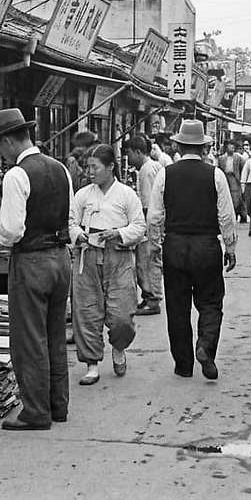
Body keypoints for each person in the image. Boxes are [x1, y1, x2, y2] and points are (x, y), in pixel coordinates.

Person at [0, 108, 74, 430]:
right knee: (54, 335)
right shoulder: (60, 168)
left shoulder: (16, 175)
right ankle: (58, 405)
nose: (1, 153)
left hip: (32, 260)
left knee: (29, 338)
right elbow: (71, 216)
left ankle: (36, 411)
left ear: (9, 141)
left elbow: (11, 230)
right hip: (60, 257)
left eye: (0, 145)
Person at [147, 120, 238, 380]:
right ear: (204, 147)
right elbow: (227, 217)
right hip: (207, 246)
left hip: (175, 245)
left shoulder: (165, 174)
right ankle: (205, 346)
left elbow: (154, 216)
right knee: (211, 302)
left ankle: (183, 365)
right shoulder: (216, 175)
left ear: (178, 146)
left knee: (177, 306)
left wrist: (155, 244)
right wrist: (230, 247)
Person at [69, 144, 146, 385]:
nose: (90, 172)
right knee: (87, 311)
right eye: (88, 167)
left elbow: (139, 226)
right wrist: (78, 235)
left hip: (118, 256)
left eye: (95, 167)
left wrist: (119, 234)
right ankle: (91, 363)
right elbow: (71, 221)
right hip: (88, 256)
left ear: (111, 167)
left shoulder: (126, 194)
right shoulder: (83, 195)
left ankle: (119, 347)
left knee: (122, 313)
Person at [123, 135, 165, 315]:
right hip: (157, 221)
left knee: (146, 262)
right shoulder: (155, 166)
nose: (128, 158)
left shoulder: (146, 170)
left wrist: (142, 228)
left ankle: (152, 298)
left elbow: (148, 204)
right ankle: (151, 297)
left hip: (150, 223)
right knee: (151, 261)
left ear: (138, 152)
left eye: (129, 153)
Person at [216, 141, 247, 223]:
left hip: (235, 178)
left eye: (233, 148)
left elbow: (243, 168)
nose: (232, 149)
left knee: (236, 197)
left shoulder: (238, 158)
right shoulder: (222, 158)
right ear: (226, 148)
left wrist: (241, 179)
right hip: (226, 178)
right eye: (230, 147)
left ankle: (238, 213)